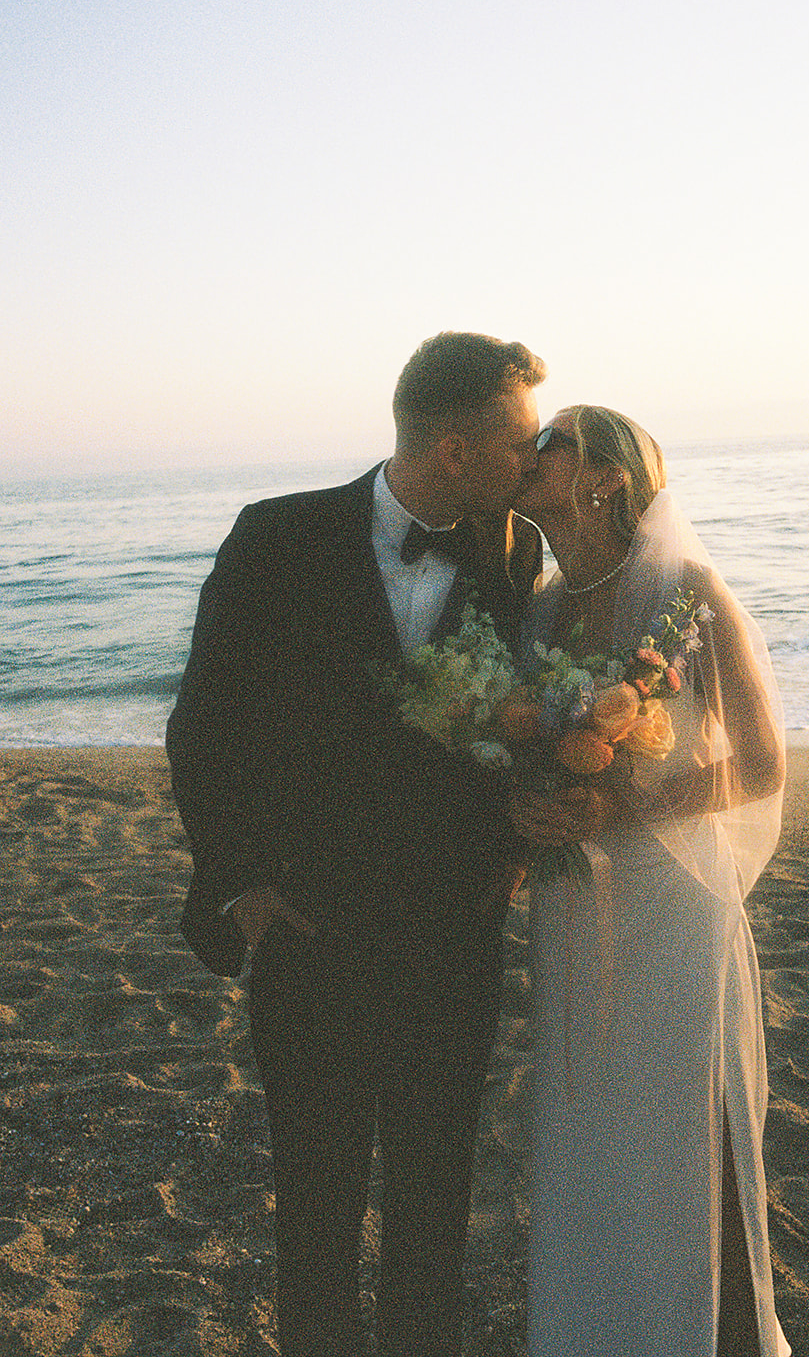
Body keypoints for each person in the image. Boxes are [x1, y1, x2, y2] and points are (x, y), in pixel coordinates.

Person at [166, 332, 546, 1357]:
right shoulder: (274, 538)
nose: (535, 458)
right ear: (455, 451)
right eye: (519, 440)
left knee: (434, 1203)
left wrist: (516, 846)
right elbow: (205, 724)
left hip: (450, 937)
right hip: (310, 930)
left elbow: (530, 725)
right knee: (317, 1203)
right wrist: (239, 880)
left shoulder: (516, 555)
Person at [511, 405, 791, 1357]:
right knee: (586, 1131)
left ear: (607, 479)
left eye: (552, 445)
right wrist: (531, 806)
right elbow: (520, 751)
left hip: (671, 910)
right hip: (570, 902)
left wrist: (622, 811)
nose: (531, 454)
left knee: (679, 1130)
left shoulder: (691, 595)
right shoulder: (539, 605)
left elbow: (762, 768)